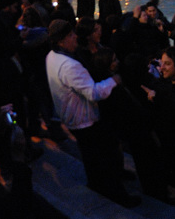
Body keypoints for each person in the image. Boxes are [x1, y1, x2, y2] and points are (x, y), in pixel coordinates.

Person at [45, 19, 139, 208]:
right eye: (71, 36)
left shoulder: (51, 56)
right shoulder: (70, 66)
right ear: (61, 41)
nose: (75, 38)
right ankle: (117, 194)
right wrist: (114, 80)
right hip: (85, 120)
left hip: (71, 118)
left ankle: (96, 184)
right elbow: (94, 92)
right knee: (106, 157)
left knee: (91, 157)